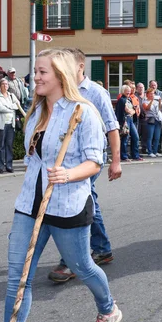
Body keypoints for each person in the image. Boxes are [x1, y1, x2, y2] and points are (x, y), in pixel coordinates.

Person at [2, 48, 121, 322]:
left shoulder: (84, 112)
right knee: (17, 279)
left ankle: (108, 309)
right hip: (30, 205)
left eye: (42, 72)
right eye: (36, 72)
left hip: (68, 204)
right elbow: (33, 161)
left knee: (82, 267)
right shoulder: (36, 112)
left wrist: (68, 173)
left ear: (60, 75)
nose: (35, 78)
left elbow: (94, 161)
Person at [48, 47, 121, 284]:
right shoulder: (61, 90)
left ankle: (71, 260)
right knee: (89, 201)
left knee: (73, 202)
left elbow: (112, 127)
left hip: (89, 160)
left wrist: (116, 161)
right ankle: (102, 248)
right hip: (64, 159)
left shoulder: (96, 93)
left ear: (80, 66)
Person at [0, 78, 24, 174]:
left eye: (6, 84)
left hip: (11, 123)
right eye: (3, 84)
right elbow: (0, 108)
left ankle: (9, 165)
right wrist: (12, 107)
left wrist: (10, 107)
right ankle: (0, 166)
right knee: (0, 145)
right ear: (0, 86)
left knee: (9, 145)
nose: (5, 86)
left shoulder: (11, 95)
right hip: (1, 124)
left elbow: (18, 105)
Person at [142, 87, 162, 158]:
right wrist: (151, 101)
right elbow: (147, 108)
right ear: (147, 95)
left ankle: (155, 151)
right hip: (150, 120)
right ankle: (150, 152)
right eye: (150, 94)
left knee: (157, 137)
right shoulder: (144, 101)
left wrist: (159, 102)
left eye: (153, 94)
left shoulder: (156, 101)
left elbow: (160, 109)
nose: (152, 95)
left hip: (157, 119)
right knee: (150, 137)